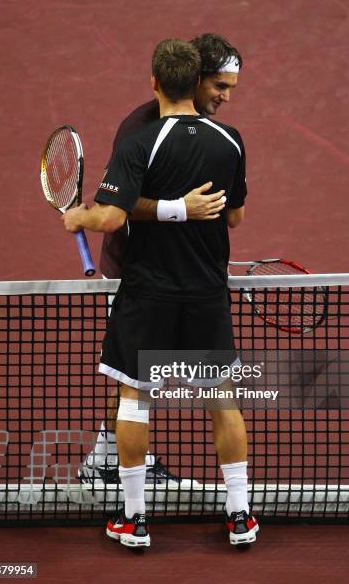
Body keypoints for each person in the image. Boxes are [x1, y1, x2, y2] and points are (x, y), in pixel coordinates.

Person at [63, 38, 258, 548]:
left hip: (151, 289)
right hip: (194, 286)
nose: (227, 97)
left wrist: (78, 216)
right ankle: (240, 515)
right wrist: (184, 210)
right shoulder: (227, 139)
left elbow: (109, 214)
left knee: (136, 394)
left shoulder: (139, 143)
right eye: (219, 86)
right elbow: (233, 214)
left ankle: (133, 518)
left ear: (156, 80)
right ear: (193, 80)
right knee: (220, 396)